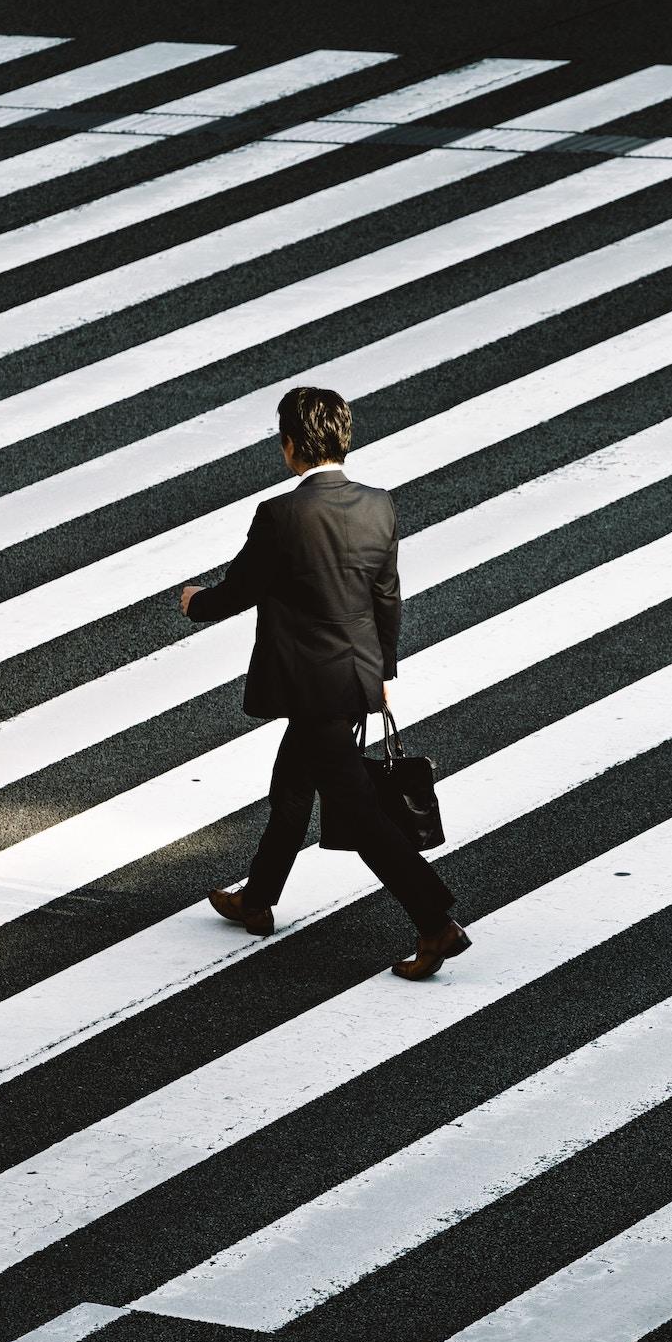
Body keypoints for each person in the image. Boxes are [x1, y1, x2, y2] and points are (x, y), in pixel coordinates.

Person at [179, 385, 471, 980]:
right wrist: (381, 671)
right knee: (292, 787)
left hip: (307, 684)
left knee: (360, 814)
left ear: (290, 447)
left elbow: (240, 591)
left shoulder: (282, 515)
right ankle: (257, 898)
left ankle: (436, 922)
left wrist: (193, 603)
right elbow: (386, 597)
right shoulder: (379, 507)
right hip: (352, 675)